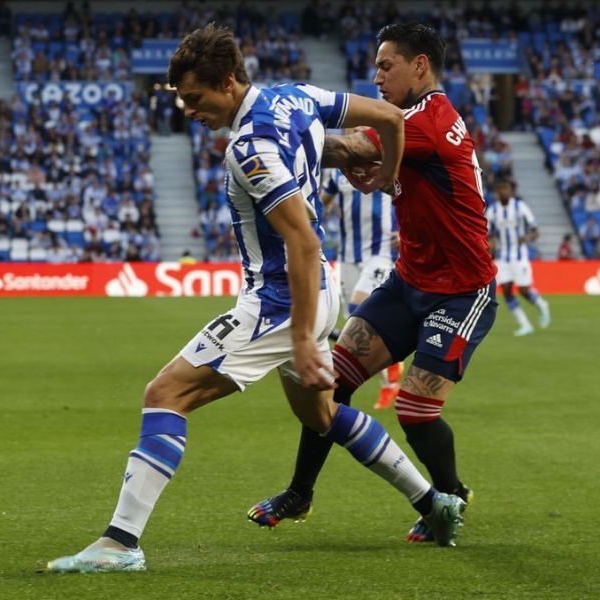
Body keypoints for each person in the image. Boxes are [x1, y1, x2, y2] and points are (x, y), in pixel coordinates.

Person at [46, 23, 465, 574]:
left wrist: (302, 341)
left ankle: (121, 543)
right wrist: (387, 176)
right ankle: (433, 503)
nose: (189, 111)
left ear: (226, 82)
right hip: (320, 290)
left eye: (195, 98)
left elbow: (302, 239)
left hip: (280, 300)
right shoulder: (296, 95)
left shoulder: (251, 148)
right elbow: (388, 118)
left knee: (165, 393)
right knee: (323, 416)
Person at [248, 23, 498, 545]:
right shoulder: (411, 125)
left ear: (420, 66)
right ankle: (300, 493)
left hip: (461, 290)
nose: (377, 76)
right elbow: (374, 159)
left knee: (414, 409)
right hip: (409, 281)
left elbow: (346, 148)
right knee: (326, 382)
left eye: (387, 66)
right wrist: (381, 170)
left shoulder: (427, 120)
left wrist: (274, 133)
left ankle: (448, 499)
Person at [321, 166, 403, 409]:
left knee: (360, 306)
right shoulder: (338, 174)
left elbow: (409, 194)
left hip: (380, 252)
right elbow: (321, 205)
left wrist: (405, 230)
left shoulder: (385, 167)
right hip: (347, 255)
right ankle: (389, 379)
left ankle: (390, 377)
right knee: (356, 327)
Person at [485, 178, 551, 336]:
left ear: (510, 190)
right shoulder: (492, 211)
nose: (503, 192)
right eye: (500, 189)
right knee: (506, 290)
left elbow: (535, 230)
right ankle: (525, 324)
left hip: (519, 255)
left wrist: (527, 237)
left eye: (505, 188)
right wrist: (491, 243)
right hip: (502, 257)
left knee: (523, 290)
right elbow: (487, 233)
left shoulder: (520, 207)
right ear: (496, 193)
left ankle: (542, 304)